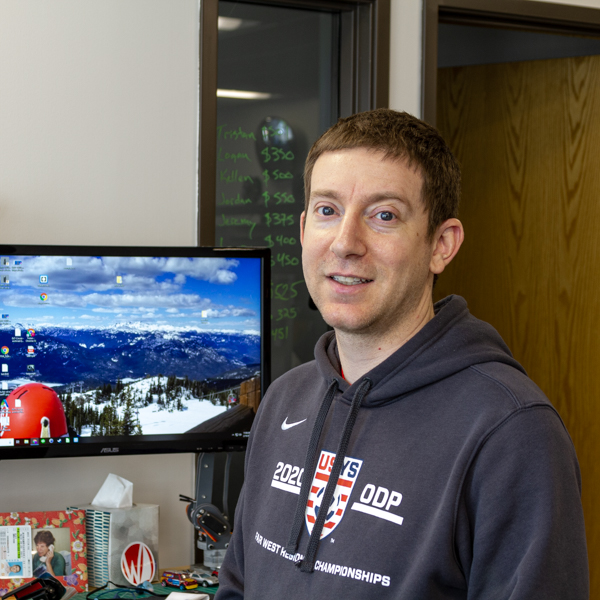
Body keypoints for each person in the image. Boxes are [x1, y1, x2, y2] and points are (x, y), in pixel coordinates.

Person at [215, 109, 589, 599]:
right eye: (328, 211)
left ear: (441, 244)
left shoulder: (512, 431)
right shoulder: (286, 398)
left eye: (384, 215)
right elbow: (238, 588)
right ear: (304, 229)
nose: (346, 243)